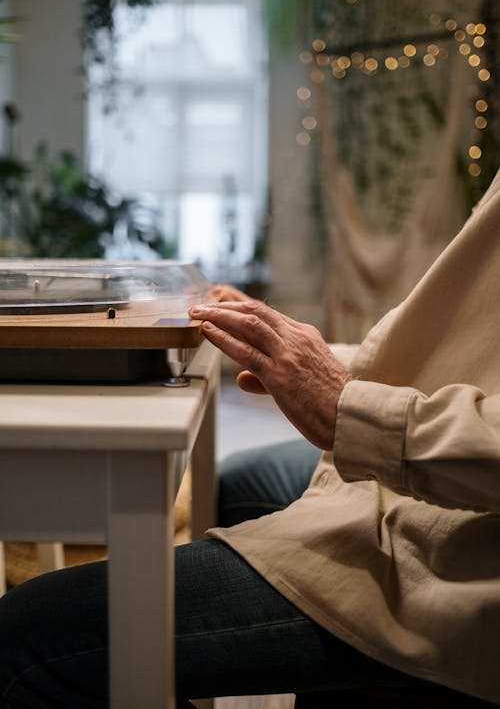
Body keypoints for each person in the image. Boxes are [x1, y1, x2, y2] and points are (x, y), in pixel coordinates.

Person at [0, 169, 500, 709]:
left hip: (467, 553)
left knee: (21, 641)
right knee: (238, 484)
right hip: (450, 486)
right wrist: (317, 364)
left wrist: (354, 411)